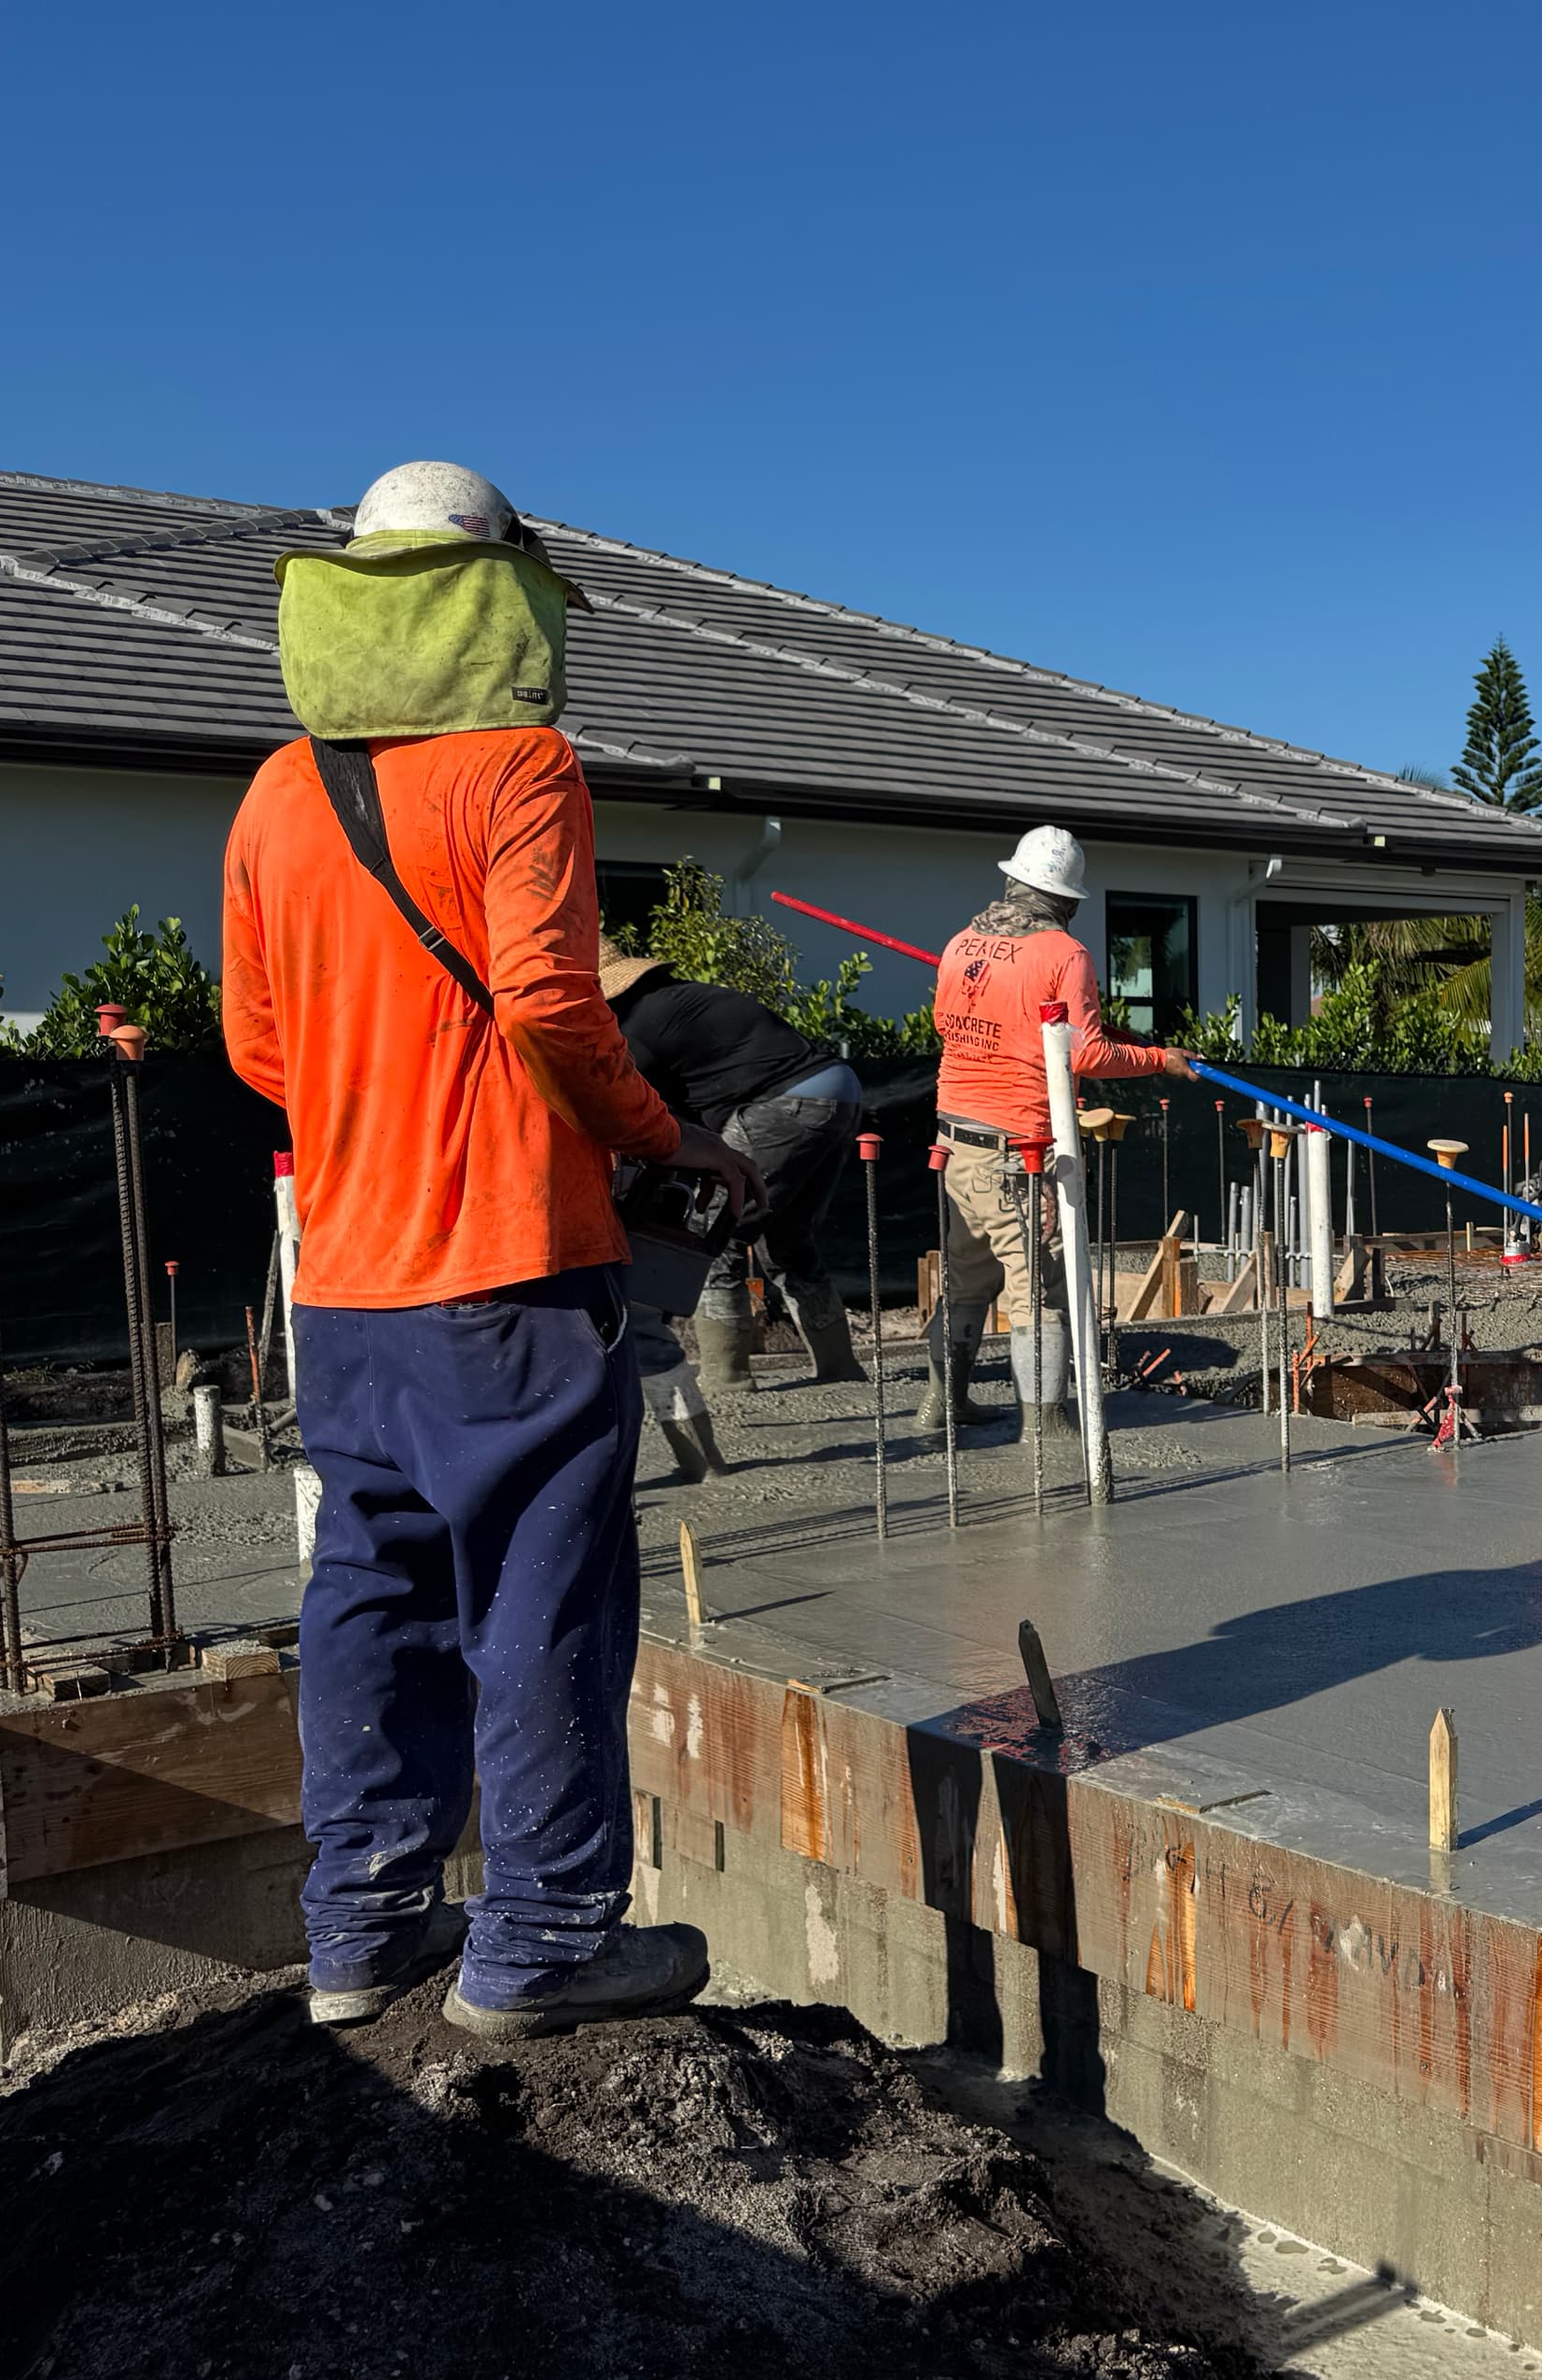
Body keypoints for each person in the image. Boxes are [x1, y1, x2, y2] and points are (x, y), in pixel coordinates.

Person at [225, 458, 761, 2039]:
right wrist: (665, 1139)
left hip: (345, 1281)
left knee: (368, 1589)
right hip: (513, 1269)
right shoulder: (522, 768)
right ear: (498, 596)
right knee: (544, 1589)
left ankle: (363, 1929)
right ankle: (538, 1941)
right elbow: (547, 998)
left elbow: (261, 1049)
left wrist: (379, 1098)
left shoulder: (278, 791)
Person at [929, 825, 1183, 1423]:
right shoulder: (1064, 954)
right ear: (1066, 900)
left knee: (964, 1280)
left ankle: (940, 1406)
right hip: (1020, 1147)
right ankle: (1043, 1428)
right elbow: (1086, 1054)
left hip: (954, 1138)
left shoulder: (961, 943)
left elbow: (948, 1022)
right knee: (1039, 1291)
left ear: (1012, 880)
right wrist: (1160, 1060)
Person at [600, 948, 867, 1477]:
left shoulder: (636, 1027)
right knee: (787, 1236)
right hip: (838, 1090)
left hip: (782, 1104)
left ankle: (727, 1376)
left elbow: (640, 1118)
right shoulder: (681, 1000)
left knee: (710, 1236)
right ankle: (839, 1366)